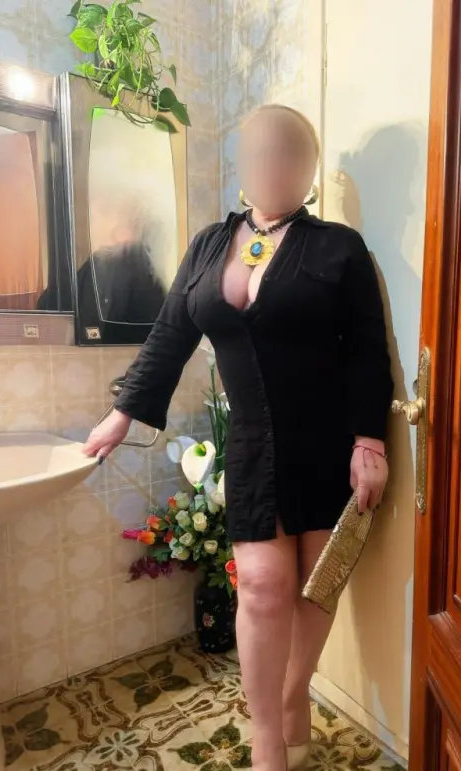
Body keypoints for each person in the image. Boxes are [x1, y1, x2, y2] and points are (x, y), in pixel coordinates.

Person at [83, 104, 393, 771]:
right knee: (258, 584)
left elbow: (369, 352)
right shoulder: (208, 245)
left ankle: (293, 695)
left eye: (290, 153)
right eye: (260, 152)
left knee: (315, 585)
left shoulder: (339, 246)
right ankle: (266, 735)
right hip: (253, 442)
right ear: (242, 163)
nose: (274, 164)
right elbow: (171, 334)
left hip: (328, 440)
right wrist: (123, 412)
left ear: (309, 167)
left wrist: (370, 441)